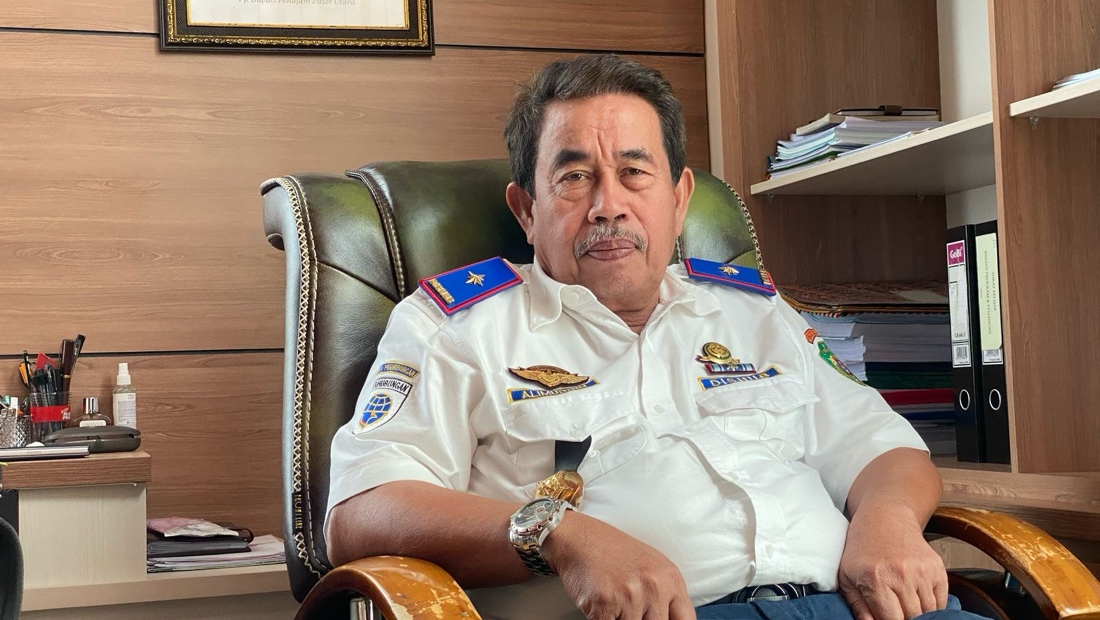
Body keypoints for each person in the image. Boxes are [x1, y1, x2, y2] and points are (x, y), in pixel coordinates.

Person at [324, 54, 977, 620]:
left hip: (857, 605)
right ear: (526, 210)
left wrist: (889, 524)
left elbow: (880, 446)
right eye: (574, 177)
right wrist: (559, 535)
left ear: (679, 197)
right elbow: (362, 511)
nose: (608, 205)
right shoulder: (456, 326)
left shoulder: (753, 308)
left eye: (634, 172)